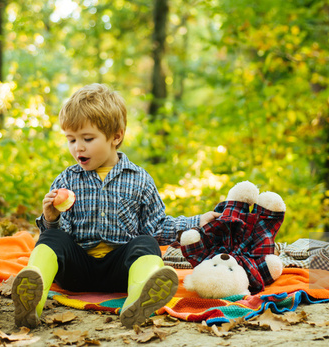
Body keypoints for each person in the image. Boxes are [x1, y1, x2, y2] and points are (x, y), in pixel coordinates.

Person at [12, 83, 219, 329]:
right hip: (78, 271)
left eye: (88, 138)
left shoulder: (139, 179)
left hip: (121, 270)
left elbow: (157, 226)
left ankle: (138, 299)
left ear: (116, 137)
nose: (78, 147)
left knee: (146, 243)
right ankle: (30, 299)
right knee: (52, 239)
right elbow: (60, 240)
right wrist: (51, 218)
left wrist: (197, 222)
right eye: (71, 139)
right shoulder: (66, 180)